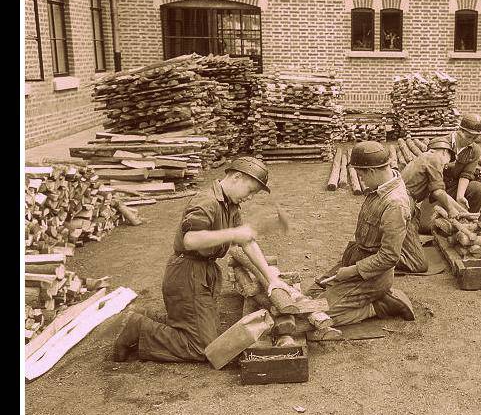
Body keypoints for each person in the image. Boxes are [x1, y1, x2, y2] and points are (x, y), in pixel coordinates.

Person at [113, 156, 280, 363]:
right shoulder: (206, 201)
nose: (250, 197)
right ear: (237, 177)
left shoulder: (230, 204)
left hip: (203, 272)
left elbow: (247, 242)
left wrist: (272, 279)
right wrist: (233, 234)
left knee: (207, 332)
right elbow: (191, 240)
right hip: (186, 273)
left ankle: (146, 316)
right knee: (203, 348)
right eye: (251, 190)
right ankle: (138, 327)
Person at [314, 141, 415, 326]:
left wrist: (352, 271)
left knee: (314, 315)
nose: (361, 180)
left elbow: (390, 256)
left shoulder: (395, 204)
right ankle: (369, 299)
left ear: (373, 171)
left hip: (373, 276)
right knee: (309, 298)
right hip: (356, 259)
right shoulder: (381, 186)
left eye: (361, 175)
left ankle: (379, 306)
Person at [397, 136, 461, 273]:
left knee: (411, 235)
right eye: (448, 161)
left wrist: (457, 207)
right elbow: (438, 192)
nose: (445, 166)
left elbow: (437, 193)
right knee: (419, 263)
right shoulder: (435, 158)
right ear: (445, 152)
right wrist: (451, 210)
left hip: (402, 201)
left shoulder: (423, 157)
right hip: (403, 203)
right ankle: (387, 259)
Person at [444, 113, 481, 213]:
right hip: (436, 189)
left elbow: (466, 174)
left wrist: (460, 197)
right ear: (460, 131)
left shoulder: (475, 150)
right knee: (426, 226)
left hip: (455, 187)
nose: (471, 141)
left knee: (478, 189)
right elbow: (432, 176)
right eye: (468, 137)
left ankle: (470, 221)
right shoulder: (443, 143)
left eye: (475, 138)